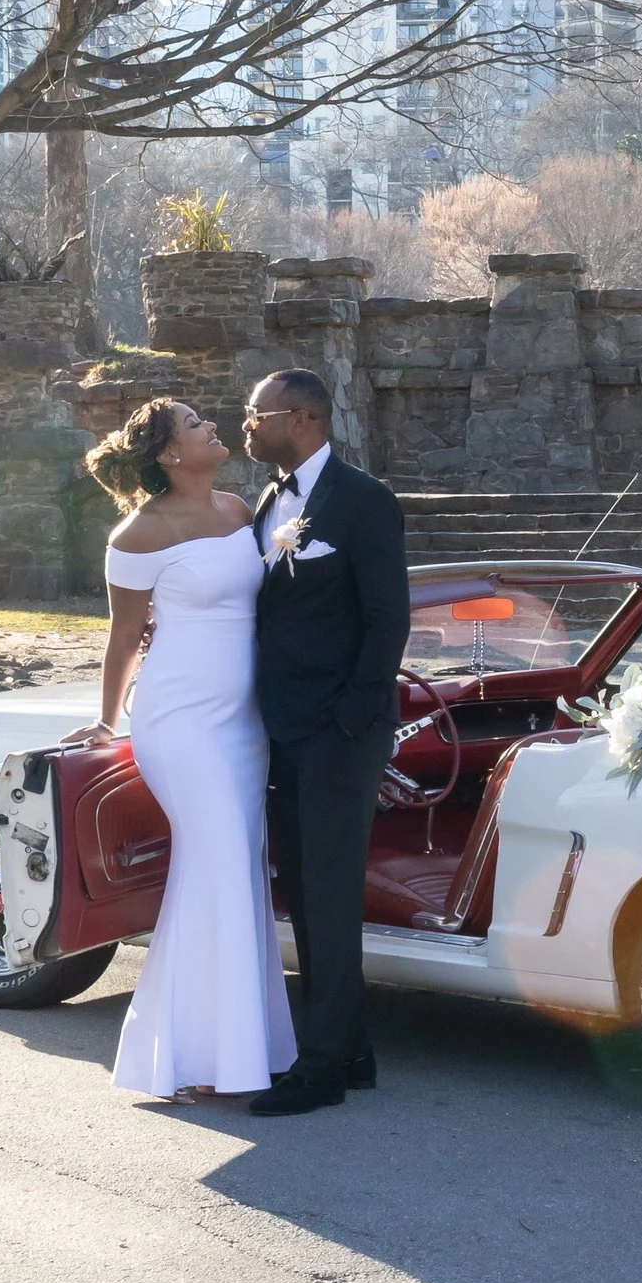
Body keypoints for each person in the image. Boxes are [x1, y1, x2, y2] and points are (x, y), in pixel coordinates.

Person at [64, 398, 296, 1101]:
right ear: (168, 454)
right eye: (195, 424)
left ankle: (241, 1050)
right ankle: (193, 1059)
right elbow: (123, 636)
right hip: (182, 722)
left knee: (238, 870)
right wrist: (107, 721)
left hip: (244, 724)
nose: (212, 427)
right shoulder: (136, 536)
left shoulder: (238, 507)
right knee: (216, 860)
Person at [241, 368, 409, 1117]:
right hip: (283, 724)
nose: (246, 424)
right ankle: (355, 1048)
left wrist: (352, 712)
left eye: (256, 413)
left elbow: (387, 617)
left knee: (330, 893)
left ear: (302, 417)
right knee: (306, 891)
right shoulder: (272, 500)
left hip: (339, 729)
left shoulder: (364, 500)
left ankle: (321, 1069)